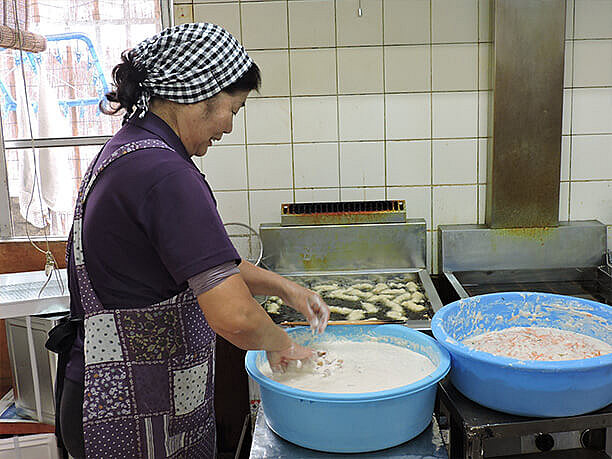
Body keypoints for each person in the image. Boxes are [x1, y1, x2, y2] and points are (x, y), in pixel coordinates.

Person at [50, 22, 330, 459]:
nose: (229, 128)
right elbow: (234, 315)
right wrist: (285, 345)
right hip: (132, 411)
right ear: (200, 93)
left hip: (108, 391)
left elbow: (204, 263)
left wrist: (284, 287)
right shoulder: (165, 174)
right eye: (233, 110)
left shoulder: (131, 150)